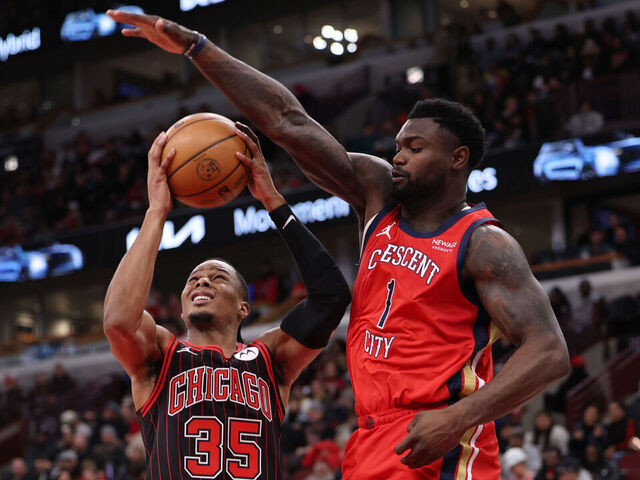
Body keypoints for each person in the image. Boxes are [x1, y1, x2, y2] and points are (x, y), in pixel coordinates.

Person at [108, 10, 570, 478]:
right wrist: (196, 47)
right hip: (369, 437)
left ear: (457, 158)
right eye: (399, 145)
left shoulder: (484, 243)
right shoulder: (377, 196)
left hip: (441, 430)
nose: (399, 156)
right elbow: (288, 122)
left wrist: (461, 417)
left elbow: (550, 351)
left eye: (415, 148)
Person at [102, 127, 351, 479]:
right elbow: (118, 321)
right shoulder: (161, 355)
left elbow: (331, 297)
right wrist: (156, 212)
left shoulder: (272, 357)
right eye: (193, 280)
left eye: (218, 277)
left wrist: (273, 201)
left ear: (243, 308)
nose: (201, 280)